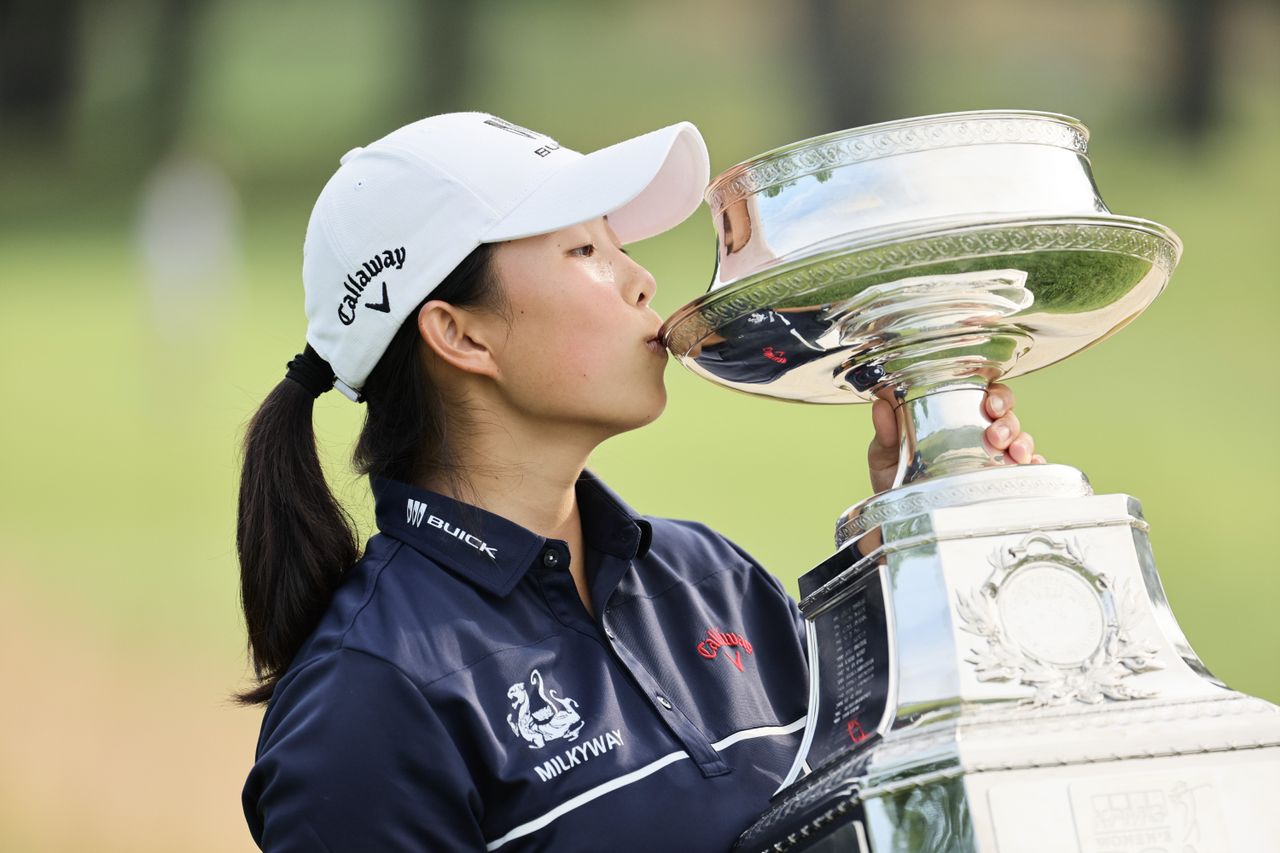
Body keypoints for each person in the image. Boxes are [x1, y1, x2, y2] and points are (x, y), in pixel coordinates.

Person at [236, 112, 1038, 852]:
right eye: (585, 251)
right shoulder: (365, 700)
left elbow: (895, 805)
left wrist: (921, 541)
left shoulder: (710, 575)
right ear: (460, 332)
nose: (641, 279)